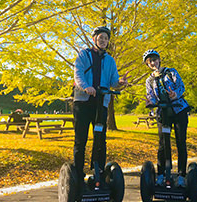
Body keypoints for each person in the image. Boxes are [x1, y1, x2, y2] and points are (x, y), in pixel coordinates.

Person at [72, 26, 129, 189]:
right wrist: (86, 87)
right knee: (80, 139)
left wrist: (120, 83)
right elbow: (78, 74)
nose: (103, 40)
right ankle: (78, 175)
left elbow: (113, 81)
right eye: (100, 37)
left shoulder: (110, 60)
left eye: (106, 38)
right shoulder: (84, 55)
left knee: (100, 140)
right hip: (83, 102)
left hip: (101, 103)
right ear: (94, 39)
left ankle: (98, 173)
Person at [143, 49, 190, 187]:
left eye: (154, 59)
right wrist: (150, 102)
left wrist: (175, 94)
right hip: (163, 113)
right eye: (150, 61)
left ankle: (181, 175)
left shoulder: (171, 72)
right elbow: (150, 95)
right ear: (148, 64)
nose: (153, 63)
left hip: (178, 110)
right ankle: (161, 174)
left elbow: (181, 86)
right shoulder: (149, 80)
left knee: (181, 142)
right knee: (163, 145)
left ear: (159, 60)